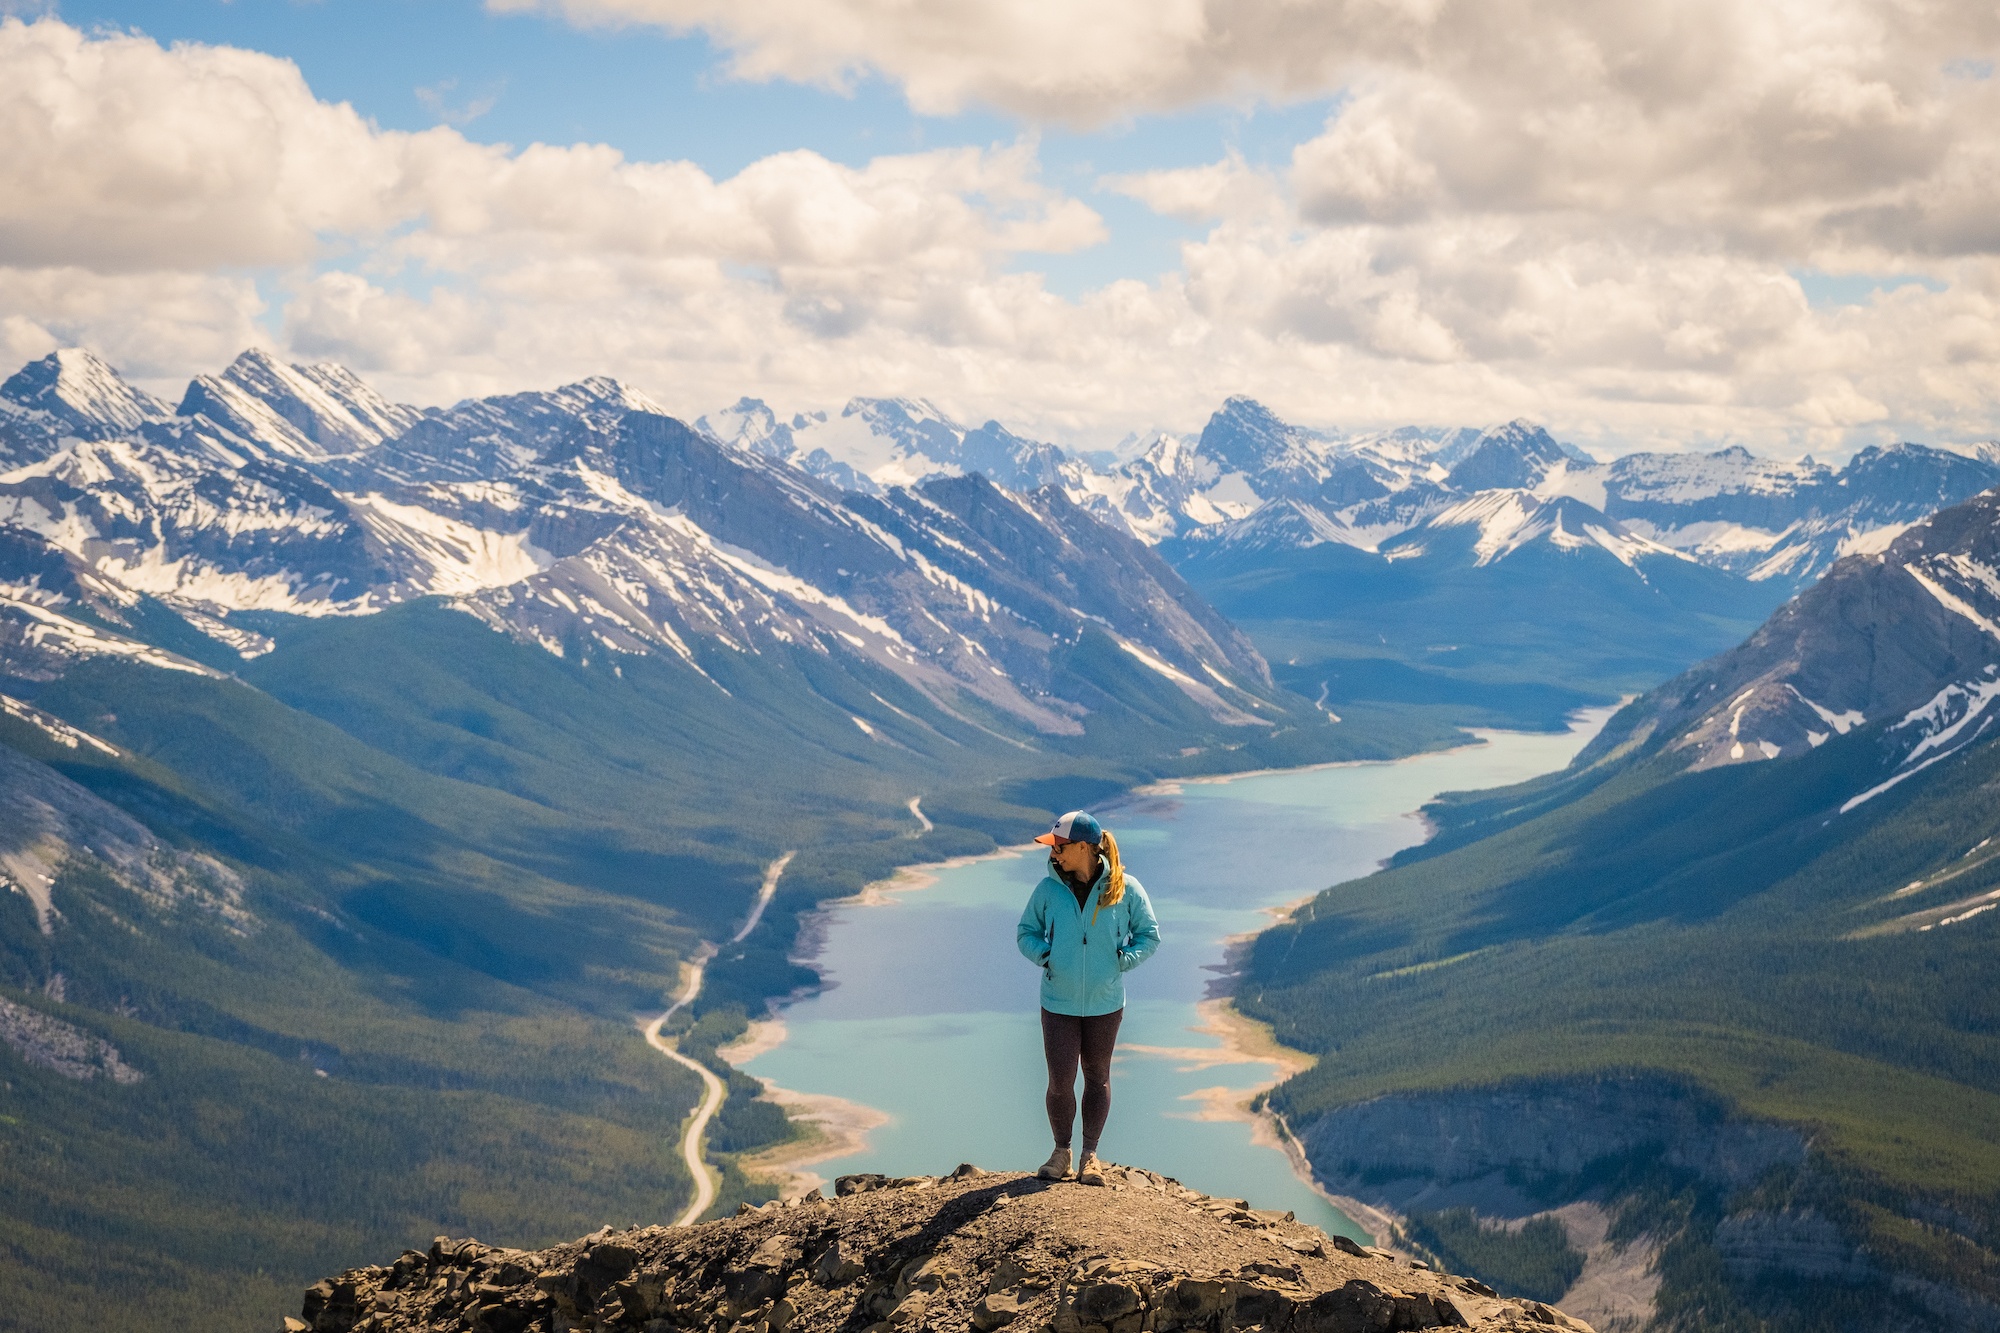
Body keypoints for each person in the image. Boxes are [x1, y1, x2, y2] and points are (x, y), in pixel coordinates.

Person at [1015, 809, 1161, 1185]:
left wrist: (1122, 961)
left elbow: (1149, 935)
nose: (1054, 855)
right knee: (1060, 1082)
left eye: (1060, 847)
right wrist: (1046, 956)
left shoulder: (1125, 888)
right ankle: (1061, 1153)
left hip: (1105, 1003)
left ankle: (1090, 1157)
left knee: (1098, 1078)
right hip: (1058, 1002)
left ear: (1084, 847)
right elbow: (1026, 932)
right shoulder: (1048, 890)